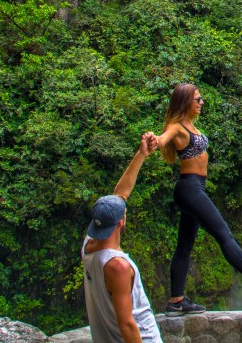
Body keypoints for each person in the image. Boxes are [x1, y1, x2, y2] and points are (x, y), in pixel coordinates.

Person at [151, 83, 242, 315]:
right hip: (189, 188)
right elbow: (162, 140)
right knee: (224, 234)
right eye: (198, 100)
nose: (202, 103)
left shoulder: (191, 125)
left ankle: (176, 300)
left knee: (184, 246)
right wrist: (154, 140)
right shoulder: (177, 126)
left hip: (195, 187)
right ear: (185, 102)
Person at [82, 133, 162, 343]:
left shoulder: (88, 246)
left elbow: (121, 194)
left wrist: (142, 154)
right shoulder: (117, 266)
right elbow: (127, 324)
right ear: (120, 223)